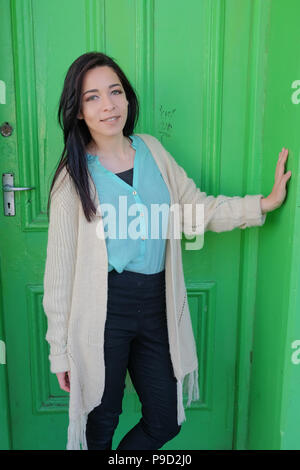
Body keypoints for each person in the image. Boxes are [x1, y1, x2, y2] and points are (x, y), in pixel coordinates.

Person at [42, 52, 292, 451]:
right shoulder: (73, 179)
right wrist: (60, 352)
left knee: (165, 419)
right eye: (92, 97)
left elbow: (198, 209)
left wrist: (261, 204)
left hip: (156, 304)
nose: (108, 105)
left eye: (115, 92)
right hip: (104, 312)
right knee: (99, 424)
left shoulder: (152, 151)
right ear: (78, 111)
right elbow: (58, 277)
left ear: (127, 98)